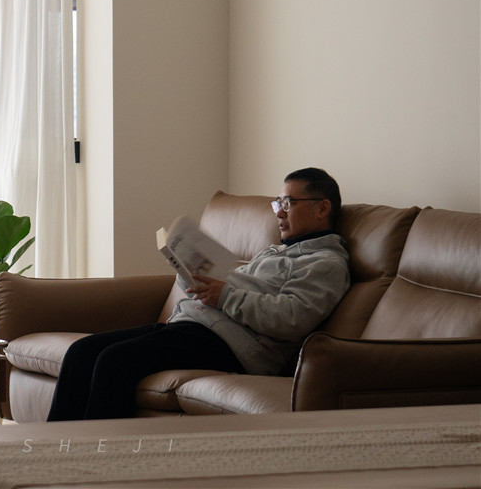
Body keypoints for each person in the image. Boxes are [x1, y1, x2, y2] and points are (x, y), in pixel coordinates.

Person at [46, 167, 351, 421]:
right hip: (194, 327)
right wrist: (188, 271)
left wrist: (224, 296)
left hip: (231, 346)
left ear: (322, 208)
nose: (279, 213)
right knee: (81, 353)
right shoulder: (273, 252)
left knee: (113, 361)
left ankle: (101, 462)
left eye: (288, 203)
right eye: (277, 204)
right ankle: (51, 455)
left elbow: (291, 319)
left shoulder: (325, 264)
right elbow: (222, 288)